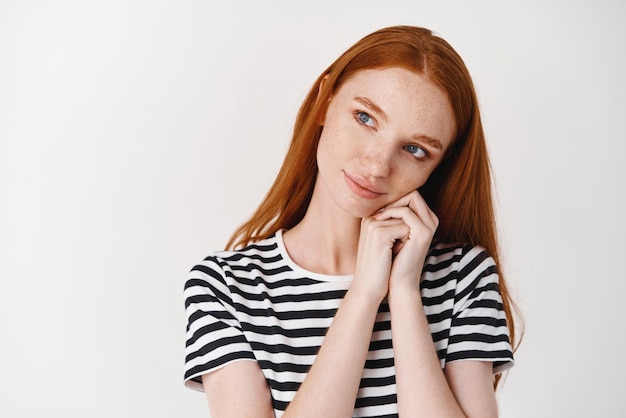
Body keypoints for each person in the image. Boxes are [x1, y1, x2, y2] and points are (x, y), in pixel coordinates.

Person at [183, 25, 520, 417]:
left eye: (414, 149)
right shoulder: (226, 286)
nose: (377, 166)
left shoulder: (464, 276)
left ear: (440, 165)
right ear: (325, 100)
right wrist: (363, 295)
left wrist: (406, 294)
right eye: (365, 117)